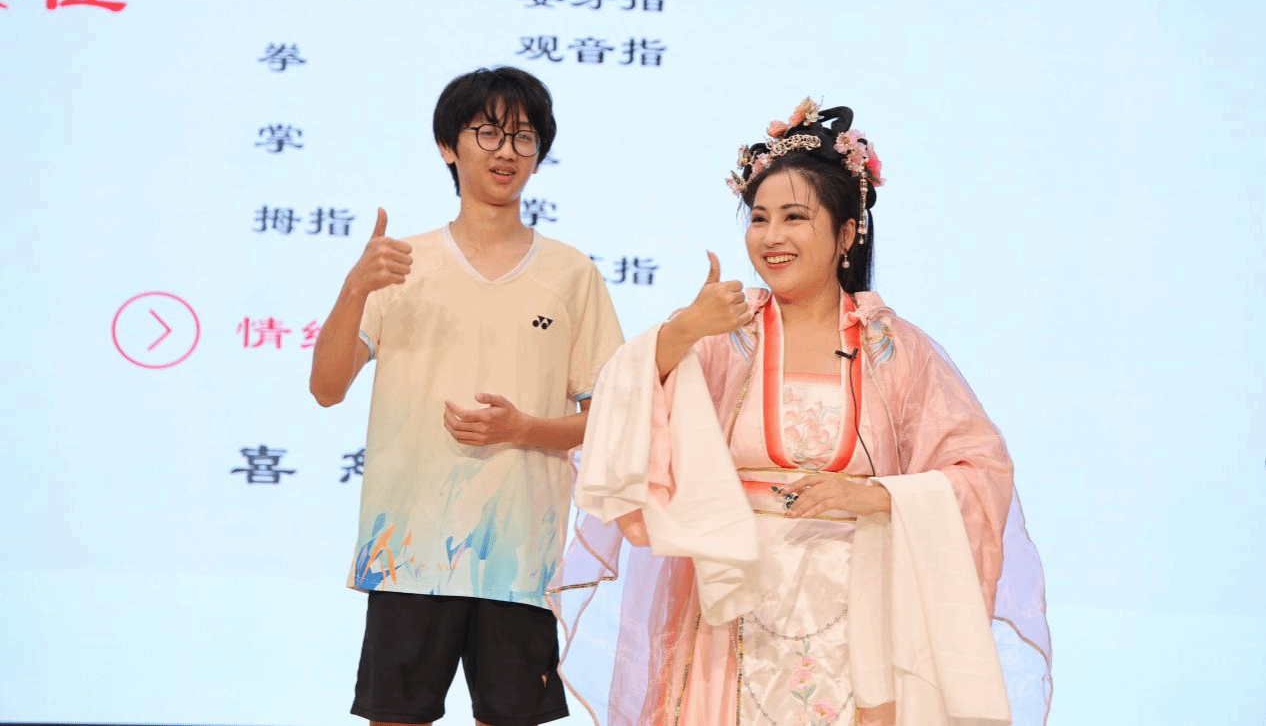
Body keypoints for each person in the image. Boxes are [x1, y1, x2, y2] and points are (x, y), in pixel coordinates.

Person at [551, 99, 1051, 725]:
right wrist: (680, 333)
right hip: (733, 597)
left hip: (858, 604)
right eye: (759, 219)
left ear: (846, 234)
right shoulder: (723, 334)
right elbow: (622, 424)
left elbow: (981, 469)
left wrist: (879, 497)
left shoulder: (892, 347)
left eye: (794, 217)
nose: (771, 237)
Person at [309, 66, 624, 726]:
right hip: (408, 552)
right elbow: (327, 388)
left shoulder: (572, 273)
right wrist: (354, 288)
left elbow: (610, 420)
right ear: (448, 146)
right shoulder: (402, 263)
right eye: (488, 133)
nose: (507, 151)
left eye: (524, 137)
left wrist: (524, 429)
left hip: (520, 558)